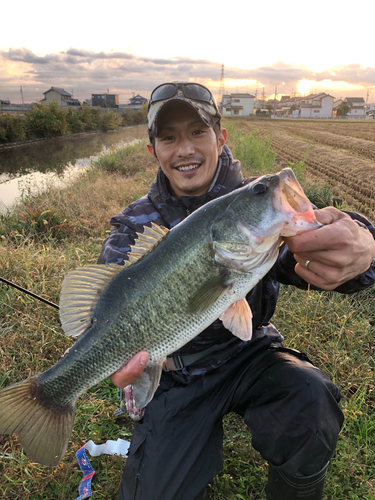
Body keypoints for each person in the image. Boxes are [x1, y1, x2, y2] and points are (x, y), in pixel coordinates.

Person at [97, 82, 375, 500]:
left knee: (309, 399)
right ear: (153, 150)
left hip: (248, 354)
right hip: (175, 374)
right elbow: (109, 297)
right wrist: (117, 351)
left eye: (197, 131)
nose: (184, 149)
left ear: (220, 137)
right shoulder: (134, 224)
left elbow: (321, 239)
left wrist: (365, 247)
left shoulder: (252, 203)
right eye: (169, 137)